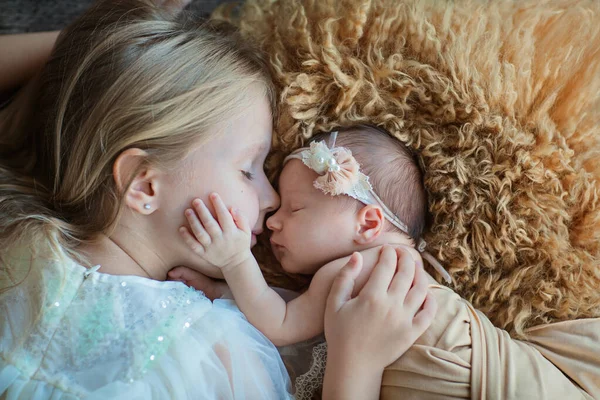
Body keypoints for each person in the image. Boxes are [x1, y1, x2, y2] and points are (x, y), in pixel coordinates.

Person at [0, 1, 434, 398]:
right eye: (248, 170)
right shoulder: (210, 347)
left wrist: (103, 47)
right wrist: (356, 363)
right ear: (144, 185)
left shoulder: (21, 247)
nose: (270, 199)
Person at [172, 125, 600, 399]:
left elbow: (281, 323)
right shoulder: (396, 266)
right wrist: (226, 292)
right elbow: (306, 313)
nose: (274, 223)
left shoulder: (356, 271)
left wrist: (234, 261)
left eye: (295, 209)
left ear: (369, 221)